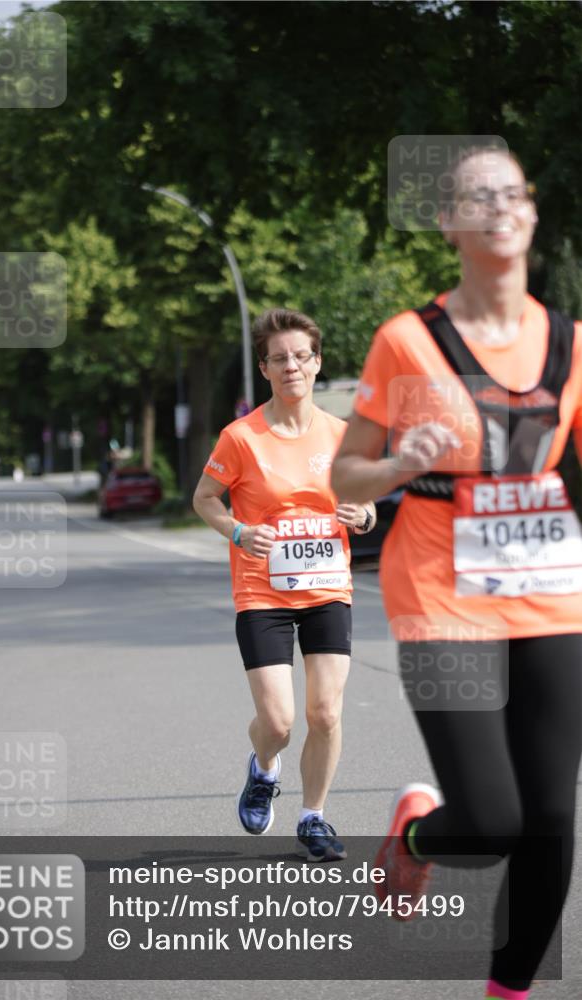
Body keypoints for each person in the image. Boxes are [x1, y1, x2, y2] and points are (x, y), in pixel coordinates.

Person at [332, 147, 582, 1000]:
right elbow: (344, 477)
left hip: (549, 592)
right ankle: (415, 837)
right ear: (448, 224)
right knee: (490, 822)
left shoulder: (571, 342)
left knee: (550, 819)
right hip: (440, 596)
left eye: (512, 194)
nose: (498, 207)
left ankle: (504, 991)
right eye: (477, 197)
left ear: (532, 213)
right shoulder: (407, 341)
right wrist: (400, 462)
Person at [193, 308, 376, 861]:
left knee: (325, 713)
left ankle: (313, 818)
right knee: (277, 722)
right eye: (280, 358)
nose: (291, 366)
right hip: (263, 591)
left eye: (301, 356)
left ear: (317, 363)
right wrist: (239, 531)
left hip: (326, 588)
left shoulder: (343, 436)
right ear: (265, 369)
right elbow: (204, 499)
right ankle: (264, 768)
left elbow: (366, 506)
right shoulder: (240, 438)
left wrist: (363, 517)